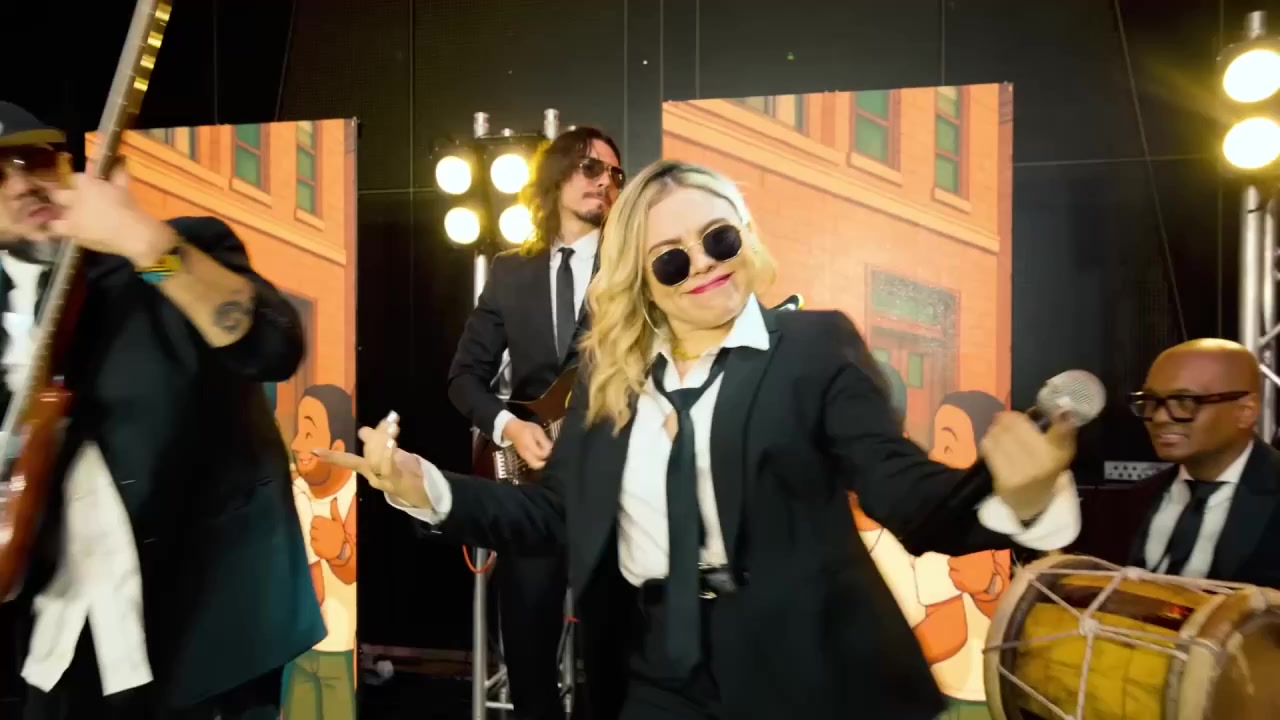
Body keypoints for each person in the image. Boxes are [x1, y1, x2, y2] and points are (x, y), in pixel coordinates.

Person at [324, 160, 1082, 720]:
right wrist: (424, 487)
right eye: (672, 257)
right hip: (656, 666)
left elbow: (905, 492)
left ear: (744, 237)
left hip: (804, 667)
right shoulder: (608, 380)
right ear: (640, 277)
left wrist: (1020, 495)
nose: (705, 265)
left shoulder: (813, 348)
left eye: (718, 237)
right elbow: (556, 513)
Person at [0, 102, 324, 719]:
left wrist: (142, 240)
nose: (21, 184)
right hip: (60, 642)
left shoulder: (174, 251)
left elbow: (274, 347)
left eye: (33, 160)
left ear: (68, 168)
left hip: (206, 635)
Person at [446, 126, 623, 720]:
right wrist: (509, 426)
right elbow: (464, 378)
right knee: (527, 659)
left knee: (614, 664)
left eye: (614, 174)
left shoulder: (633, 267)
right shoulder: (509, 271)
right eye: (591, 168)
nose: (605, 182)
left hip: (615, 487)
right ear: (555, 175)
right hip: (532, 485)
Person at [852, 391, 1011, 720]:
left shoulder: (980, 526)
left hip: (983, 695)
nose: (935, 456)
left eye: (949, 446)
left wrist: (989, 586)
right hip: (942, 692)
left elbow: (958, 625)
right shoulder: (930, 528)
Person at [1126, 338, 1280, 587]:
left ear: (1246, 411)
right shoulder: (1135, 498)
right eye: (1151, 401)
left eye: (1185, 402)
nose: (1159, 417)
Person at [284, 384, 358, 719]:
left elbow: (352, 571)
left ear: (337, 448)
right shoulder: (295, 491)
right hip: (299, 646)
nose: (297, 444)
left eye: (309, 433)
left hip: (339, 652)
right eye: (299, 432)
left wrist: (340, 551)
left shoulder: (354, 493)